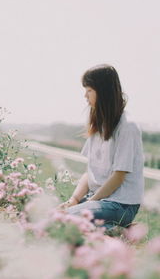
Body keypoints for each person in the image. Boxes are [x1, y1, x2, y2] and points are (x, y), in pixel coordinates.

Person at [58, 64, 144, 230]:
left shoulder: (127, 127)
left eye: (89, 90)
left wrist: (89, 204)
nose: (85, 96)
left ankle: (117, 226)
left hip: (121, 205)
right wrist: (74, 200)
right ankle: (116, 230)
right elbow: (89, 173)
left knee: (63, 220)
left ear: (103, 92)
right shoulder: (99, 125)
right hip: (98, 201)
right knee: (58, 214)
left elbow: (118, 176)